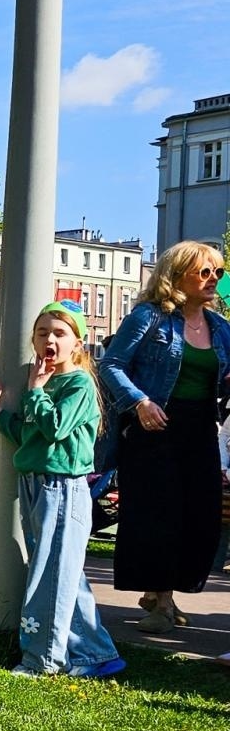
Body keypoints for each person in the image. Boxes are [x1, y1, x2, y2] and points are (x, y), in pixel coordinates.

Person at [0, 302, 124, 678]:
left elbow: (55, 427)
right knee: (64, 573)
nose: (50, 340)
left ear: (78, 342)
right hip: (36, 484)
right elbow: (30, 437)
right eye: (42, 333)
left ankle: (43, 659)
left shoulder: (77, 383)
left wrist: (36, 391)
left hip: (62, 488)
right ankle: (95, 653)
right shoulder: (44, 385)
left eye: (60, 333)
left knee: (51, 574)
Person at [97, 240, 230, 634]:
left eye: (218, 273)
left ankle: (162, 592)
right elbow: (113, 364)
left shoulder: (220, 327)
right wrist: (139, 402)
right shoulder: (150, 317)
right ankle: (161, 601)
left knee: (200, 516)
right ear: (178, 274)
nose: (214, 280)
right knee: (159, 516)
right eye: (205, 272)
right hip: (154, 429)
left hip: (200, 429)